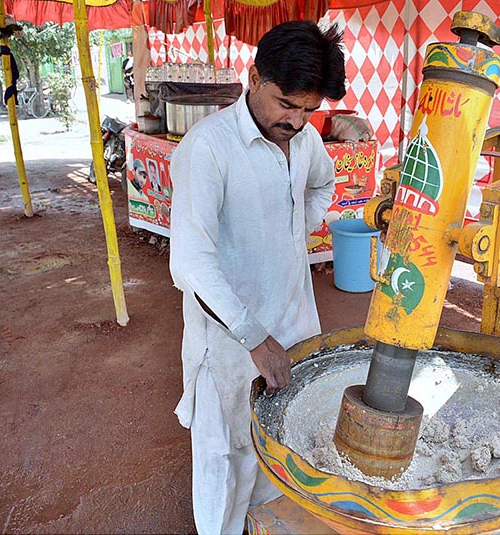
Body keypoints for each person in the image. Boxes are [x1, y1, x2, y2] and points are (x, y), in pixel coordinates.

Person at [168, 20, 346, 535]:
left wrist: (294, 230)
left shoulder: (306, 141)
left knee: (276, 452)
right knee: (225, 464)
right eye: (286, 104)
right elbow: (191, 262)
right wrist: (254, 338)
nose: (296, 120)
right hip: (228, 344)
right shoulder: (209, 148)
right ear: (253, 77)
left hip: (292, 327)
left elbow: (323, 184)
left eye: (309, 109)